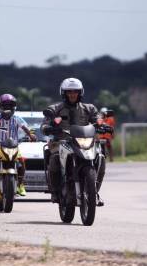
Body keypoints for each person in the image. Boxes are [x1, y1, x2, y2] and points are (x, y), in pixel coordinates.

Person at [41, 77, 107, 206]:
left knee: (101, 158)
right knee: (54, 158)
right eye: (69, 91)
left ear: (80, 92)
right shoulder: (55, 108)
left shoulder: (89, 108)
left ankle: (94, 193)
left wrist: (102, 125)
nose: (72, 94)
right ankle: (55, 192)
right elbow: (44, 124)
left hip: (84, 142)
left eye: (75, 91)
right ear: (64, 93)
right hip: (62, 141)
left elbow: (97, 118)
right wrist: (48, 128)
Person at [0, 93, 36, 197]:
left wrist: (31, 135)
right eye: (5, 105)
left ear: (14, 106)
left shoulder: (17, 118)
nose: (8, 108)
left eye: (10, 105)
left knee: (21, 162)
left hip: (14, 146)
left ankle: (20, 184)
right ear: (1, 106)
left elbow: (25, 127)